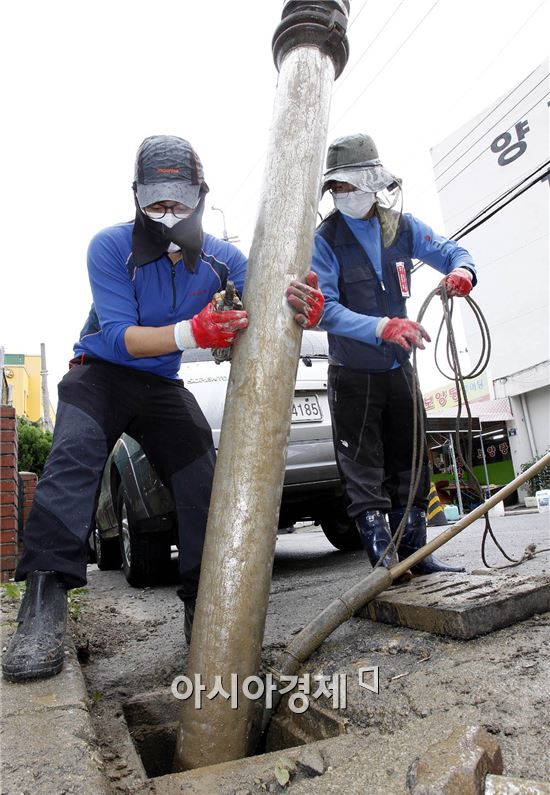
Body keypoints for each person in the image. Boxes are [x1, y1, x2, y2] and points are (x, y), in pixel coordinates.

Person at [3, 134, 324, 683]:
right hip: (101, 371)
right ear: (136, 196)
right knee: (75, 454)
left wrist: (302, 305)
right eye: (156, 200)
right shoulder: (109, 246)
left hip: (161, 384)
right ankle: (43, 603)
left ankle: (205, 610)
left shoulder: (224, 260)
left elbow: (270, 302)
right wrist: (193, 331)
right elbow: (124, 337)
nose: (169, 211)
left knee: (202, 469)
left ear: (202, 194)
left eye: (181, 198)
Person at [312, 133, 475, 574]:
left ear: (372, 182)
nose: (341, 195)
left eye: (348, 186)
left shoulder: (400, 227)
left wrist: (462, 271)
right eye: (335, 189)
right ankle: (383, 563)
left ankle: (416, 555)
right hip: (353, 372)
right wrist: (382, 326)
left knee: (410, 457)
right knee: (363, 467)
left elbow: (450, 250)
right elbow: (324, 309)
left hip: (400, 368)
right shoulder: (325, 239)